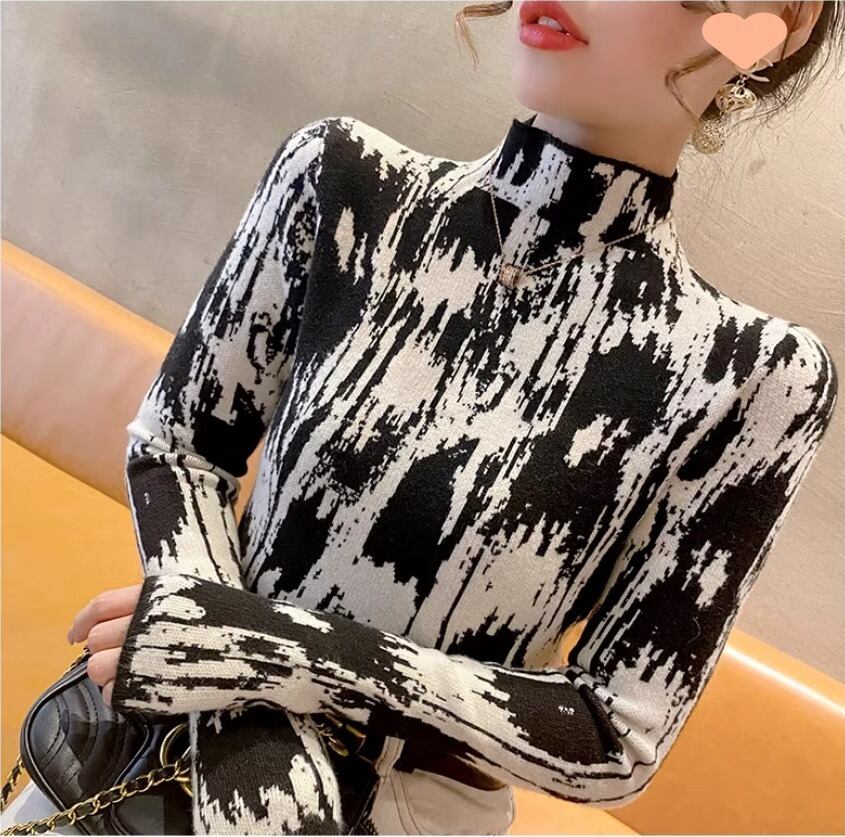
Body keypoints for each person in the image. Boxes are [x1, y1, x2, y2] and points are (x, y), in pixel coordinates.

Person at [6, 2, 840, 835]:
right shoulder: (342, 181)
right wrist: (246, 727)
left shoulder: (752, 375)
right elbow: (179, 444)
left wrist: (274, 651)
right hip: (151, 749)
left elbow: (614, 732)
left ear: (774, 22)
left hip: (405, 806)